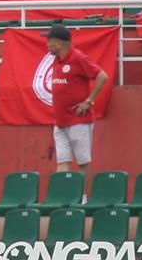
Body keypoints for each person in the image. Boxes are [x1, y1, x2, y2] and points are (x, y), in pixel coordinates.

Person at [45, 23, 109, 179]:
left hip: (78, 120)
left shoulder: (78, 58)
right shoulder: (57, 60)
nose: (47, 44)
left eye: (50, 41)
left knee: (82, 162)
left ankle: (82, 197)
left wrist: (89, 101)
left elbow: (102, 76)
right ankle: (64, 197)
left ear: (60, 43)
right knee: (62, 161)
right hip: (60, 121)